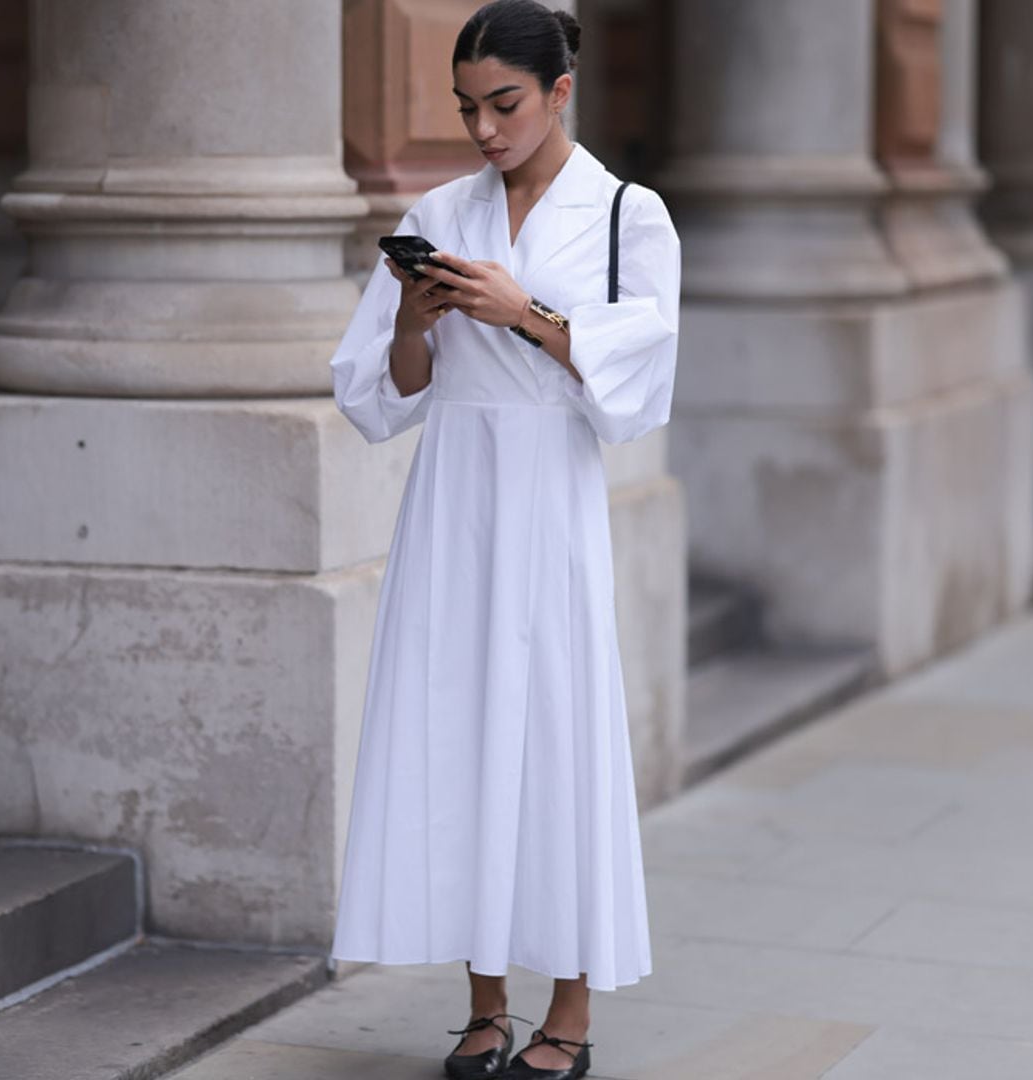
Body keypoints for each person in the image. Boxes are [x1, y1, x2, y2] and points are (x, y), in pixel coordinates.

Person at [327, 2, 680, 1077]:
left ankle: (568, 1012)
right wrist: (415, 319)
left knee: (558, 741)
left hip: (551, 500)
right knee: (459, 737)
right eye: (468, 108)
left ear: (561, 91)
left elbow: (641, 391)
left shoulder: (629, 215)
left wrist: (525, 313)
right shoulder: (440, 207)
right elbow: (376, 399)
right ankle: (484, 1006)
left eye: (505, 106)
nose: (484, 130)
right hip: (452, 508)